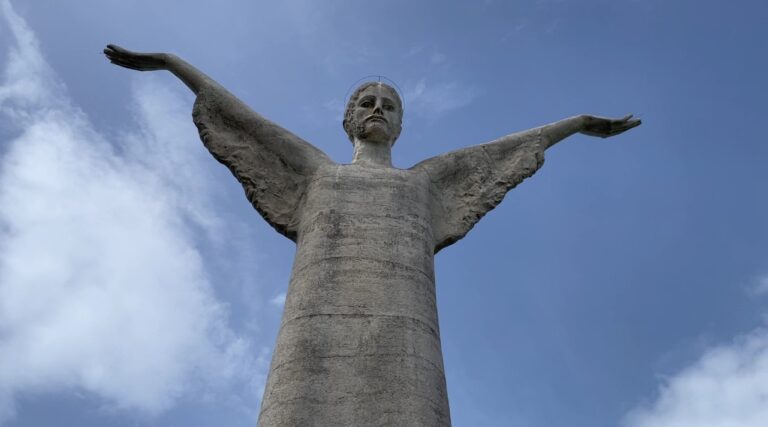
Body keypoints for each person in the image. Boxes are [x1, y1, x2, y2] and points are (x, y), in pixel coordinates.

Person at [104, 44, 640, 427]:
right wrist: (173, 63)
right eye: (367, 102)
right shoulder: (316, 173)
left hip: (406, 343)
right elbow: (247, 123)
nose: (378, 109)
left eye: (389, 105)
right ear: (349, 120)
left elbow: (498, 153)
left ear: (400, 125)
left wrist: (574, 123)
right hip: (310, 341)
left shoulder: (425, 183)